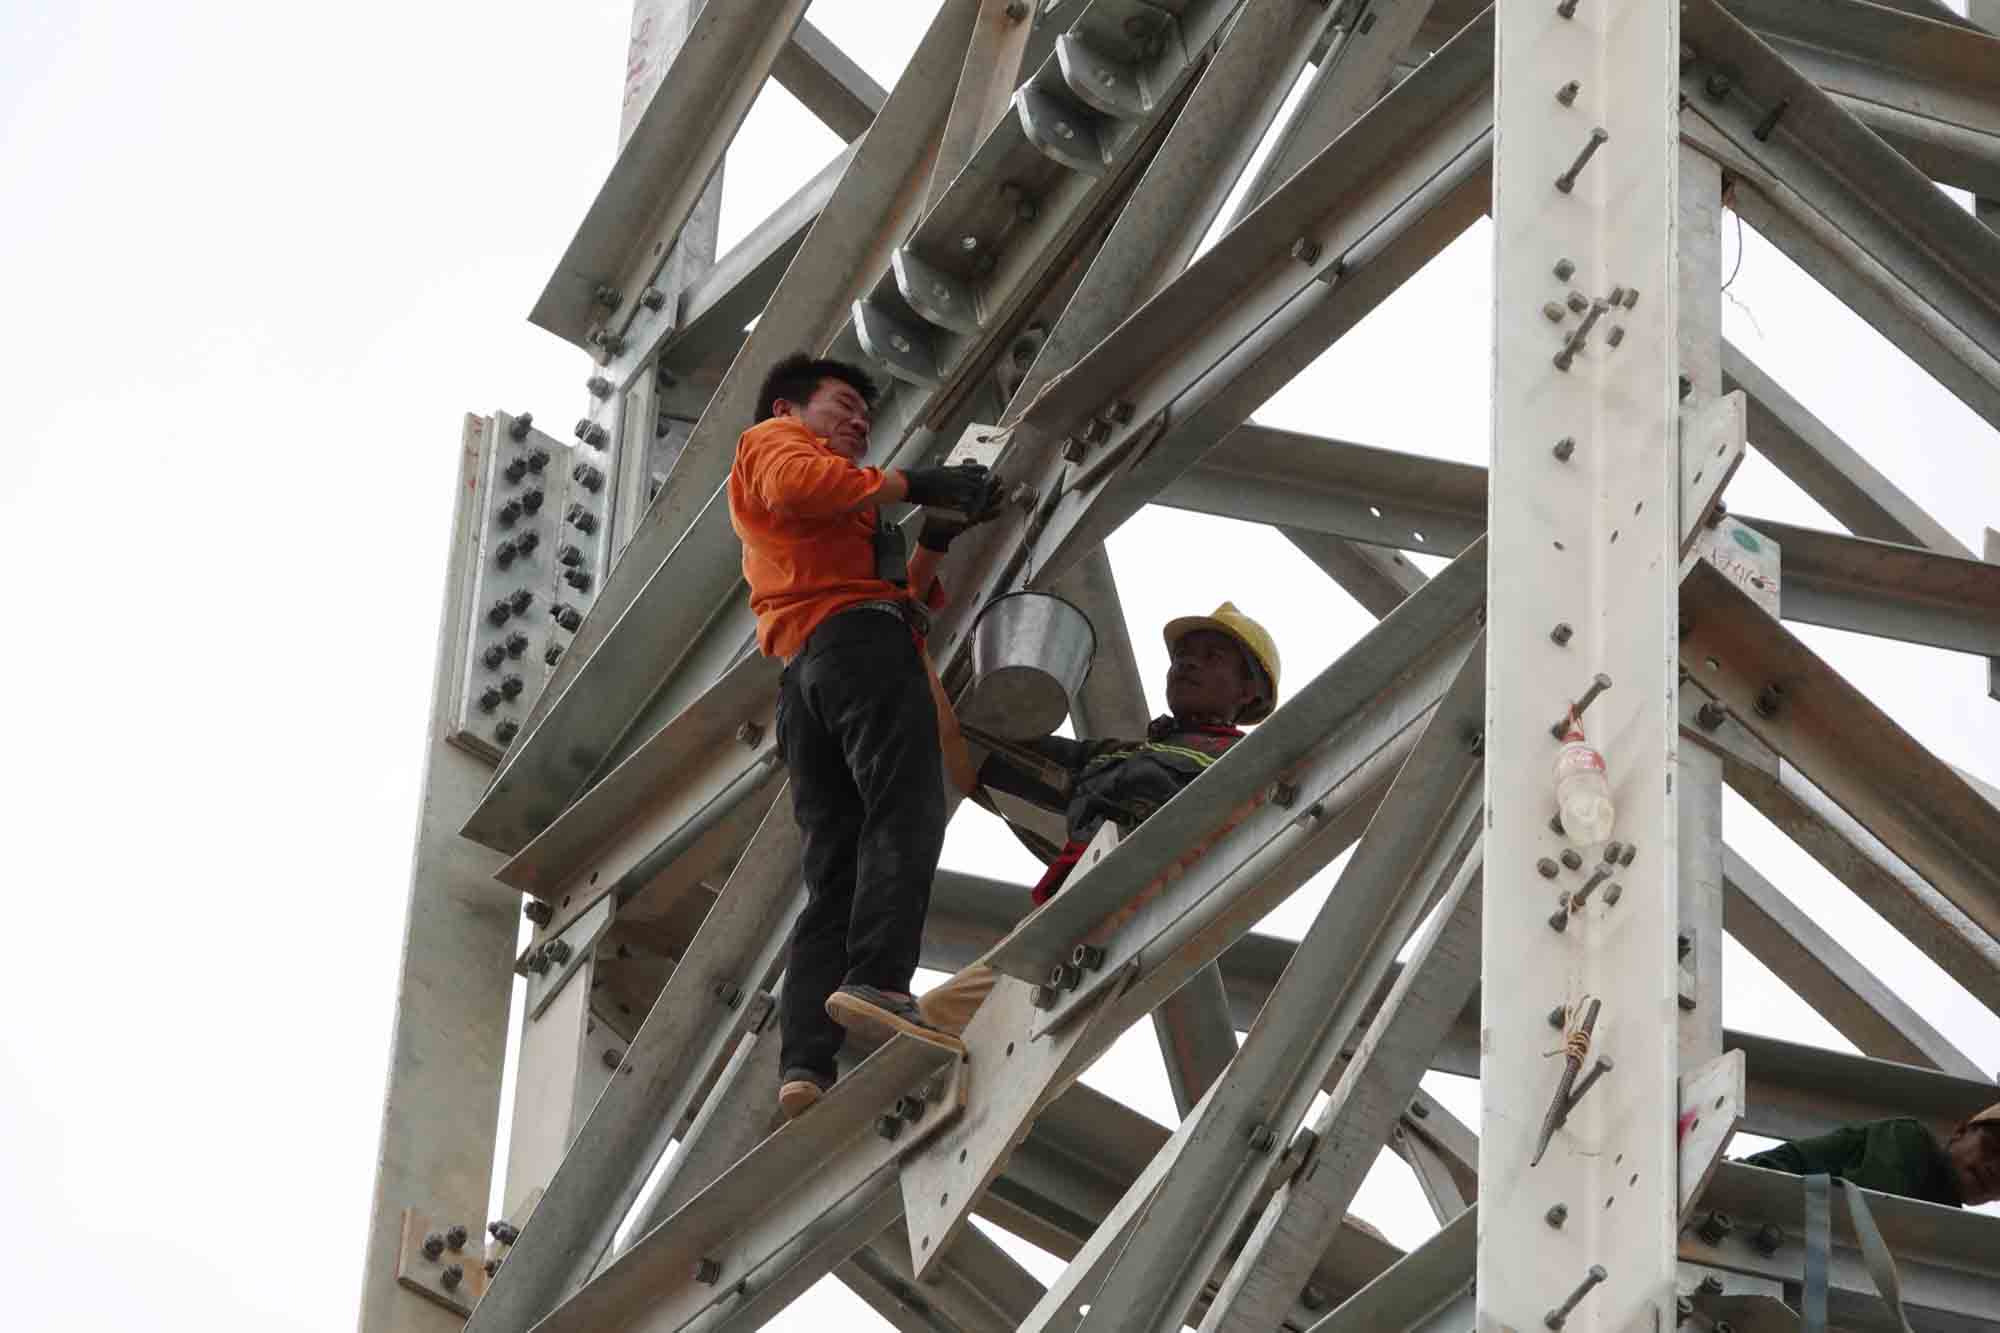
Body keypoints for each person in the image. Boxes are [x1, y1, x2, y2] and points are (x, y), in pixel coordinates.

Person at [729, 353, 1003, 1117]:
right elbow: (799, 485)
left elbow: (901, 598)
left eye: (864, 414)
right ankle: (880, 979)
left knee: (837, 869)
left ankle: (806, 1061)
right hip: (854, 651)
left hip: (812, 677)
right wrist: (917, 484)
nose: (858, 422)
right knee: (907, 804)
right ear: (788, 407)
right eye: (843, 405)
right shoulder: (775, 447)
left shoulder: (843, 505)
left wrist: (935, 535)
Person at [921, 602, 1281, 1034]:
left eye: (1212, 656)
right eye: (1183, 655)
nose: (1187, 663)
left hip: (1118, 918)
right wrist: (940, 704)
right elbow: (1002, 757)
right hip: (1071, 912)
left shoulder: (1246, 764)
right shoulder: (1116, 758)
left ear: (1248, 693)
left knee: (941, 1017)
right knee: (949, 1020)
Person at [1736, 1105, 2000, 1207]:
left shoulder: (1956, 1243)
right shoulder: (1907, 1141)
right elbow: (1786, 1162)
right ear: (1961, 1132)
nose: (1995, 1170)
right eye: (1993, 1148)